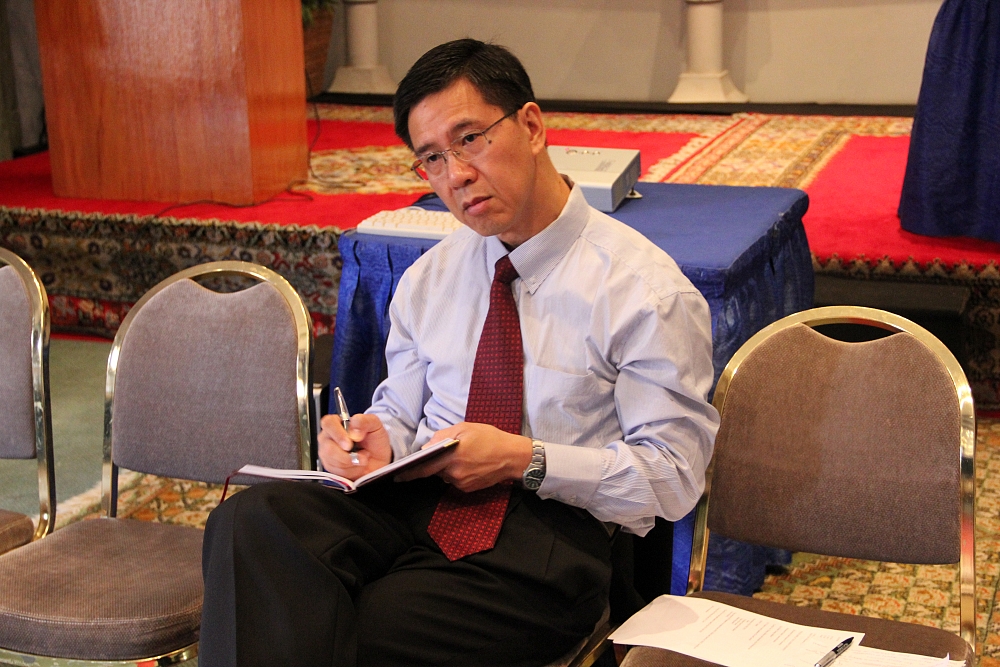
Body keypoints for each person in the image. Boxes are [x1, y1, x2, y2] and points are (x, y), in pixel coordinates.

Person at [199, 39, 719, 667]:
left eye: (470, 139)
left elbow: (673, 479)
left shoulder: (643, 291)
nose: (456, 175)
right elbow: (399, 411)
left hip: (550, 534)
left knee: (353, 624)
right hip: (419, 502)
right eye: (432, 159)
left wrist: (524, 460)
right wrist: (375, 439)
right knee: (248, 525)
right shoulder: (431, 276)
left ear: (531, 126)